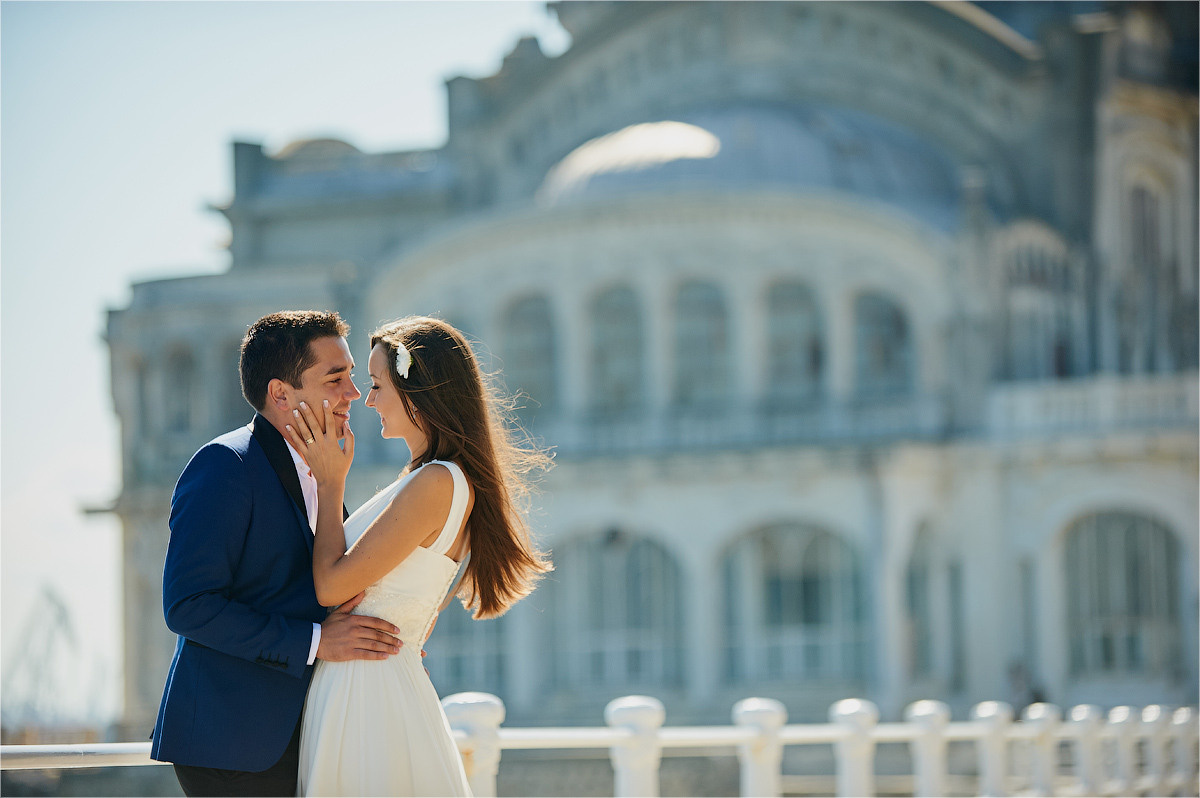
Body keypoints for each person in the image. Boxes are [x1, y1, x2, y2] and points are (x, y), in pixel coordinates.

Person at [285, 315, 552, 797]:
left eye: (376, 384)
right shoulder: (429, 478)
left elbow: (329, 585)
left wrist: (329, 481)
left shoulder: (435, 482)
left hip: (368, 693)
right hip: (368, 682)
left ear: (419, 392)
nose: (367, 399)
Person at [151, 311, 406, 797]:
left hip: (311, 733)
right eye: (336, 379)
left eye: (352, 377)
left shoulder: (326, 470)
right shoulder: (225, 465)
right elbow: (188, 606)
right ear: (281, 393)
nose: (353, 394)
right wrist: (316, 643)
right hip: (235, 746)